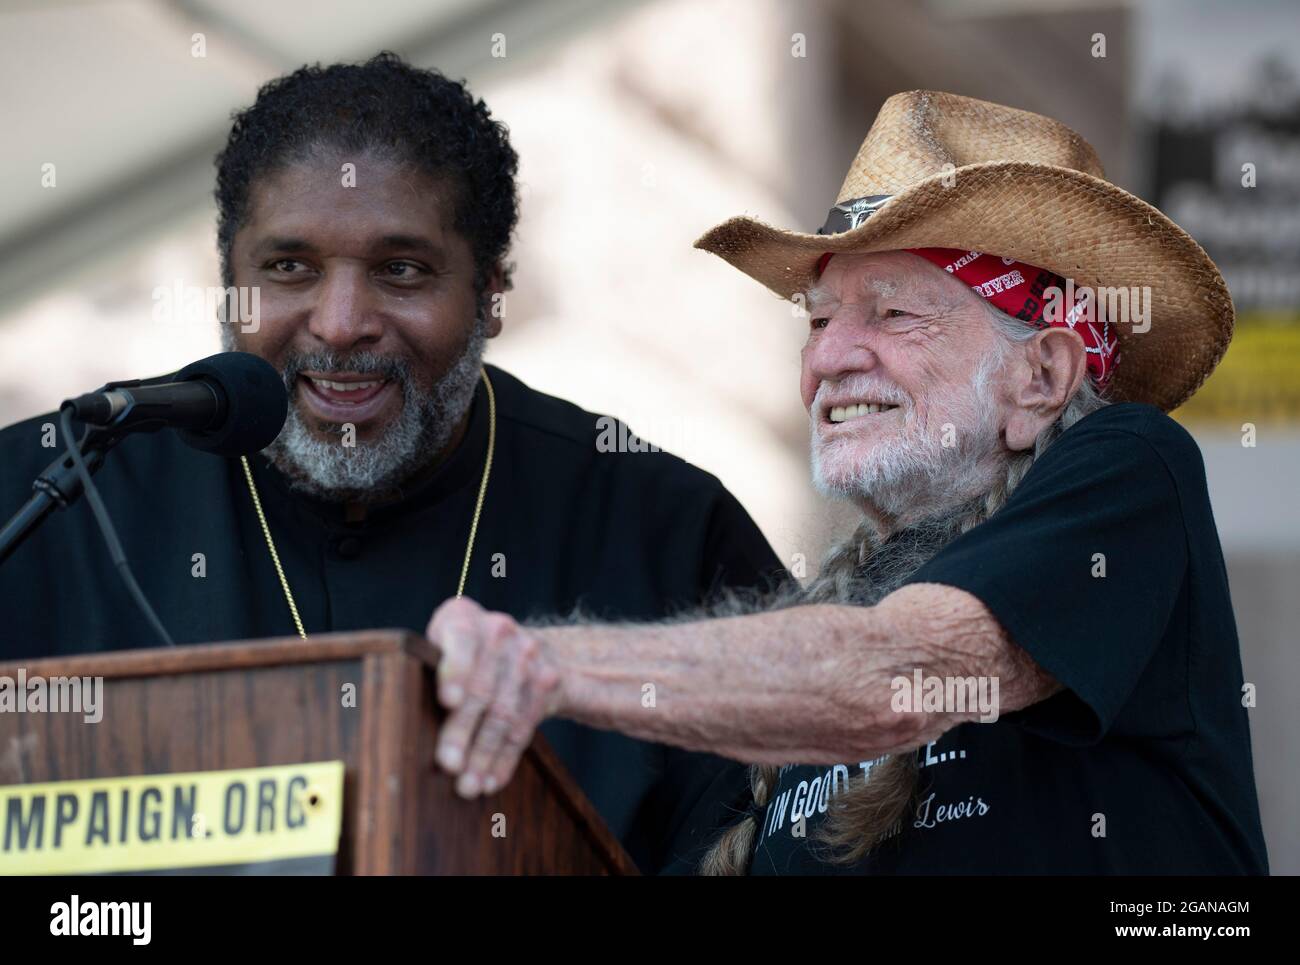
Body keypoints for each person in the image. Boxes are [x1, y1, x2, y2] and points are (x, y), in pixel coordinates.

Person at [425, 91, 1270, 874]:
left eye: (893, 313)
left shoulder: (1129, 465)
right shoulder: (815, 626)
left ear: (1042, 376)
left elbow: (903, 674)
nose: (827, 358)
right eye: (820, 320)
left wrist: (537, 666)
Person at [0, 53, 783, 874]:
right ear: (228, 281)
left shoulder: (662, 531)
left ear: (490, 294)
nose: (340, 324)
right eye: (289, 267)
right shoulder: (46, 494)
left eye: (400, 270)